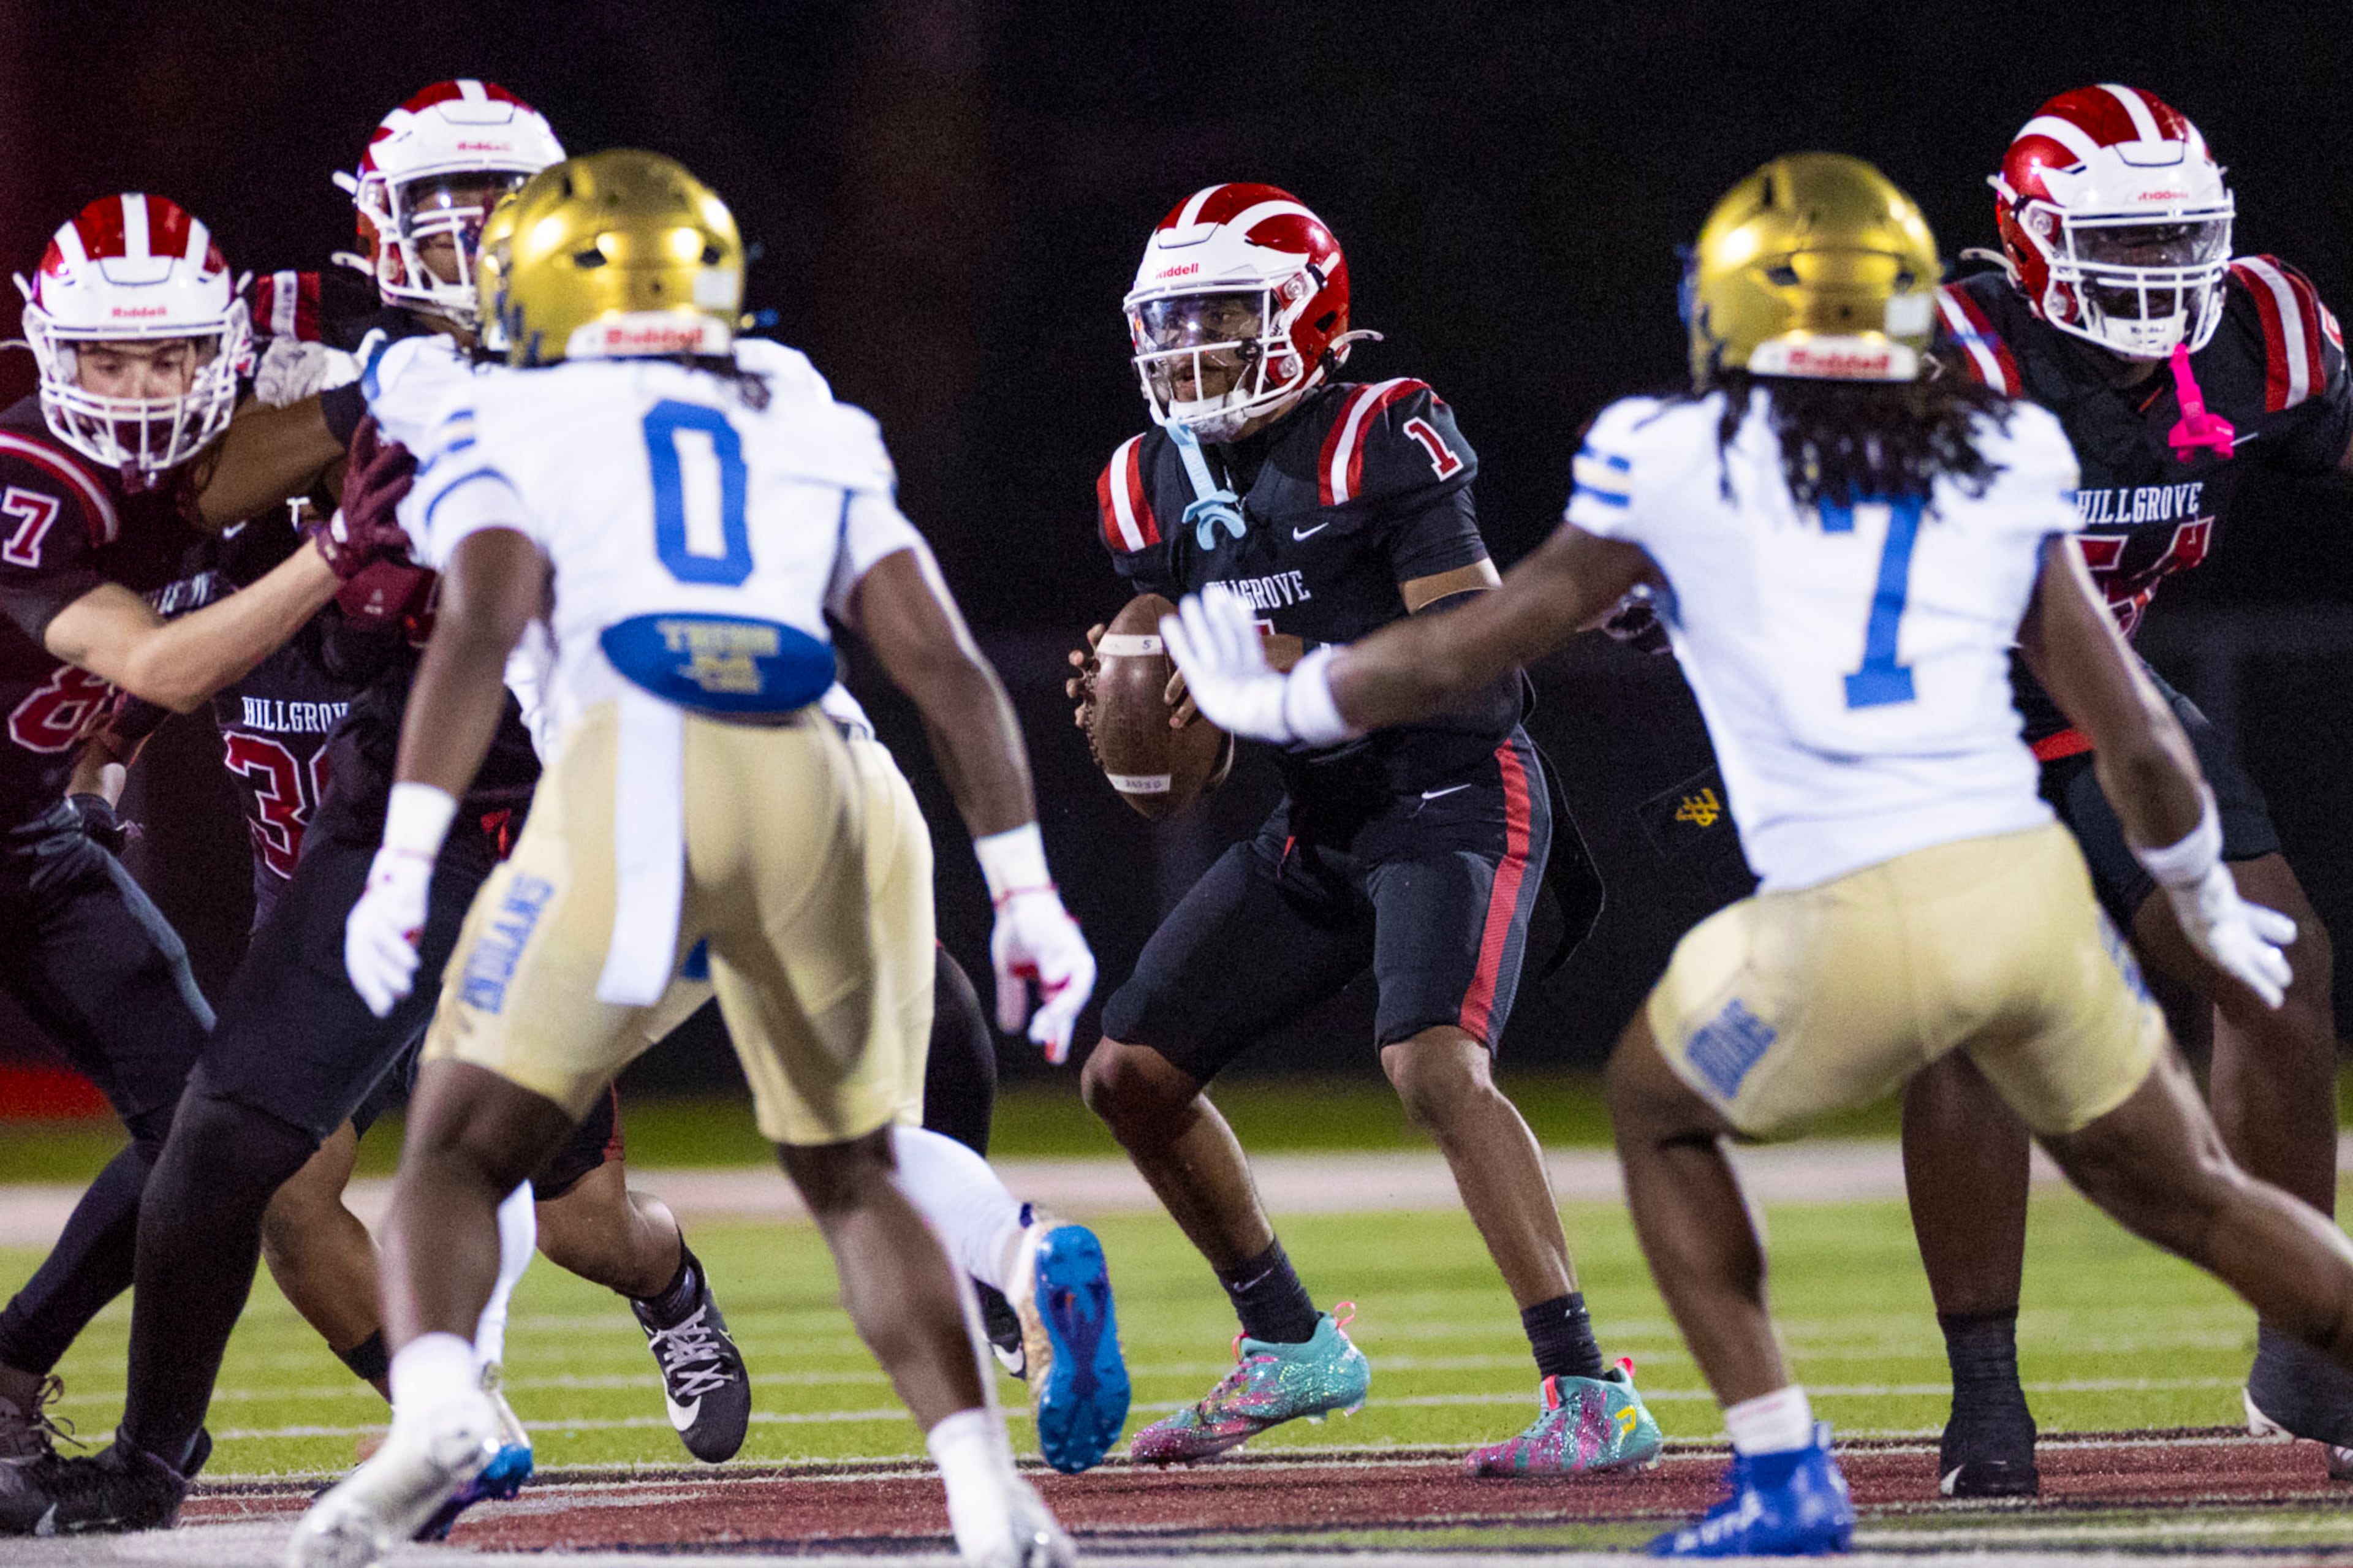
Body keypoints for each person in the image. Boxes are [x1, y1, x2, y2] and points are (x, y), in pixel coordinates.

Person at [1161, 150, 2353, 1558]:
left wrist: (1276, 699)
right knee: (2189, 1190)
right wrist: (2206, 891)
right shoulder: (2012, 448)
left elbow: (1480, 639)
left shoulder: (1674, 457)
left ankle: (1785, 1468)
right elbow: (2143, 738)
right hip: (2027, 893)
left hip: (1860, 903)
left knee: (1659, 1106)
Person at [292, 150, 1094, 1567]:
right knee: (855, 1169)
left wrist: (408, 849)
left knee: (459, 1145)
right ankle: (989, 1499)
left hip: (635, 754)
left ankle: (438, 1412)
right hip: (819, 771)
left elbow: (479, 620)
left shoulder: (503, 401)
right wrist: (1027, 888)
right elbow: (946, 663)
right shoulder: (796, 401)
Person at [1070, 183, 1650, 1474]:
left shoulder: (1380, 431)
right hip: (1322, 815)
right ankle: (1288, 1343)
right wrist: (1144, 708)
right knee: (1130, 1075)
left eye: (1225, 317)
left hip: (1451, 787)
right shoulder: (1149, 477)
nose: (1193, 349)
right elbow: (1194, 722)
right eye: (1174, 322)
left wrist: (1301, 651)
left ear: (1308, 316)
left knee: (1434, 1064)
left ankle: (1589, 1391)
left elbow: (1488, 671)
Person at [1901, 83, 2353, 1493]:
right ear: (2030, 240)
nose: (2160, 280)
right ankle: (1986, 1400)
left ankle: (2312, 1349)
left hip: (2112, 700)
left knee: (2280, 970)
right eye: (2121, 243)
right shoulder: (1940, 355)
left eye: (2180, 241)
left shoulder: (2260, 337)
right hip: (1929, 709)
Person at [0, 191, 393, 1525]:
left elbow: (306, 358)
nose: (139, 385)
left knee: (216, 1134)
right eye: (108, 359)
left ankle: (18, 1379)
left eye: (169, 354)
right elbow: (162, 657)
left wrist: (387, 381)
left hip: (28, 839)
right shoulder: (27, 479)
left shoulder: (178, 457)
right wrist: (339, 547)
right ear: (53, 355)